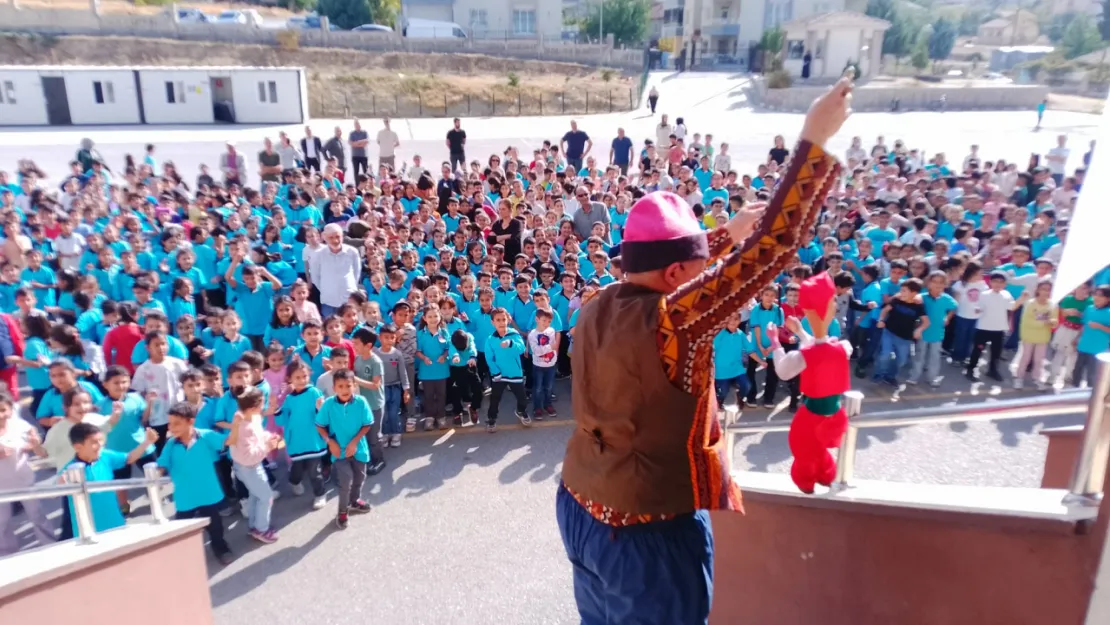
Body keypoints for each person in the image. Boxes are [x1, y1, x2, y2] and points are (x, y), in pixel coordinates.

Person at [557, 76, 849, 624]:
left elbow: (674, 264)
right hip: (645, 534)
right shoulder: (675, 320)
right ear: (675, 274)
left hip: (579, 504)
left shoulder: (597, 299)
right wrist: (813, 140)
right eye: (698, 270)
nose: (708, 278)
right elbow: (774, 249)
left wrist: (719, 237)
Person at [770, 272, 854, 493]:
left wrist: (775, 344)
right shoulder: (844, 347)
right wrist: (801, 331)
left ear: (807, 312)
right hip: (836, 416)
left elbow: (783, 371)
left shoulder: (804, 356)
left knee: (804, 452)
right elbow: (820, 346)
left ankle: (807, 483)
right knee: (819, 452)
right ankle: (826, 476)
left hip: (811, 418)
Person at [157, 401, 234, 565]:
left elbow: (228, 441)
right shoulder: (170, 444)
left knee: (215, 526)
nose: (172, 427)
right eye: (170, 423)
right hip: (185, 496)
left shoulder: (206, 436)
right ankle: (184, 555)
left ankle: (221, 549)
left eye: (177, 423)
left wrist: (240, 424)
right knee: (182, 528)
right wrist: (156, 476)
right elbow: (162, 464)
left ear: (190, 421)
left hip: (207, 493)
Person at [315, 369, 374, 529]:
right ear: (334, 389)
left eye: (348, 386)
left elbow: (367, 424)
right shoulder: (328, 405)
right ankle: (342, 511)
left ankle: (354, 501)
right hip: (338, 451)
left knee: (360, 478)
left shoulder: (361, 402)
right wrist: (330, 442)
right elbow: (320, 425)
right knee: (346, 481)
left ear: (354, 386)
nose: (344, 390)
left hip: (359, 449)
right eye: (340, 386)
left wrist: (354, 442)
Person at [227, 386, 279, 544]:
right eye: (262, 403)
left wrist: (268, 437)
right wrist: (268, 447)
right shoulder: (244, 428)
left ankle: (254, 526)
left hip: (249, 466)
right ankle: (262, 530)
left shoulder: (253, 418)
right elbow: (248, 456)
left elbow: (259, 434)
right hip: (248, 467)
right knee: (266, 497)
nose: (263, 406)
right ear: (252, 408)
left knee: (255, 495)